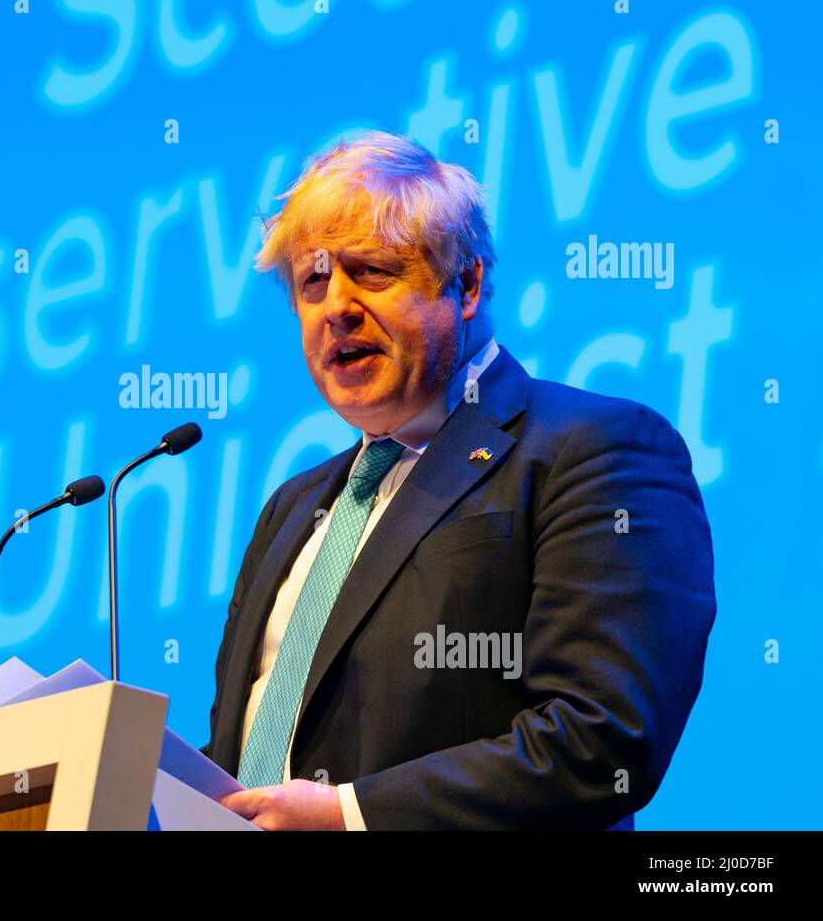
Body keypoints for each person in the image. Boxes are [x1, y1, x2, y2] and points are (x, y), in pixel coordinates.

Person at [205, 131, 716, 830]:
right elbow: (252, 763)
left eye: (373, 271)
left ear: (466, 284)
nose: (337, 307)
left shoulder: (593, 449)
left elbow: (604, 736)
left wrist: (349, 817)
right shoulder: (291, 507)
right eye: (313, 281)